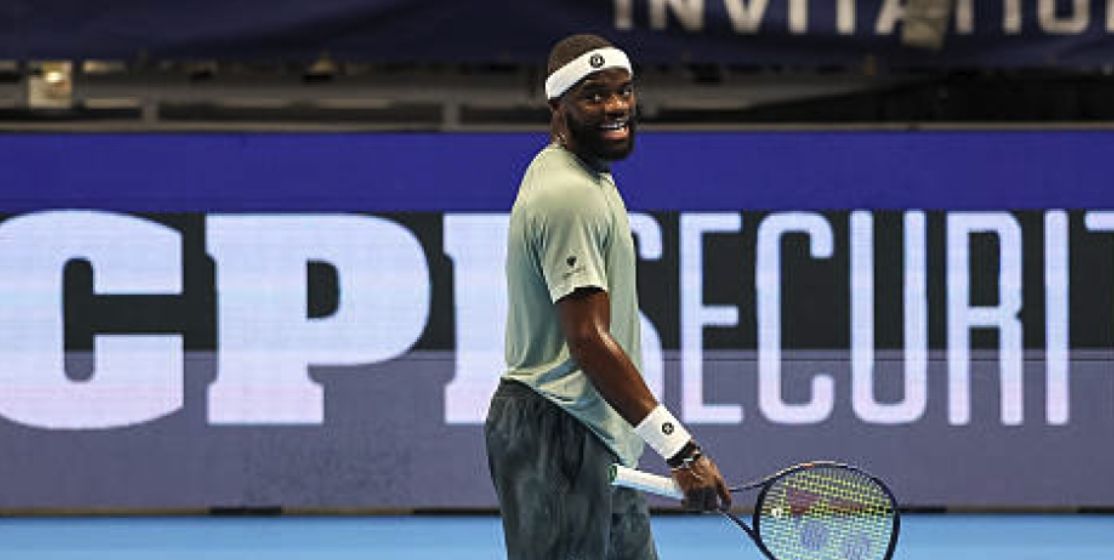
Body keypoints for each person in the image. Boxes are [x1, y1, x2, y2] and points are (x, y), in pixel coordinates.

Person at [484, 33, 732, 560]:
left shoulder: (587, 177)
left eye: (624, 91)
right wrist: (681, 450)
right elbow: (589, 341)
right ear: (558, 106)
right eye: (594, 96)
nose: (616, 106)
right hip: (558, 432)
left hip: (594, 433)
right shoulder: (569, 194)